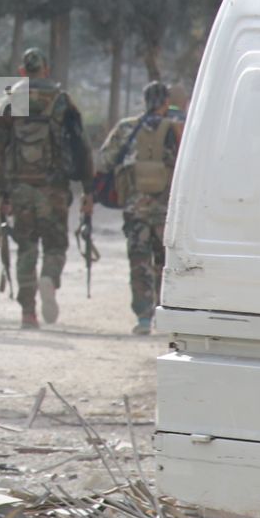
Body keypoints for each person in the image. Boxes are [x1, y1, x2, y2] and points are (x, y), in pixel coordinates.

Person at [0, 48, 93, 330]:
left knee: (26, 247)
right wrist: (88, 189)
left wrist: (1, 193)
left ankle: (28, 312)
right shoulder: (61, 100)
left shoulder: (9, 100)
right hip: (54, 189)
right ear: (46, 70)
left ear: (23, 71)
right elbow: (81, 146)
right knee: (56, 245)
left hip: (20, 188)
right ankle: (49, 277)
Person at [98, 80, 182, 334]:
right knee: (165, 264)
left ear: (145, 101)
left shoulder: (127, 128)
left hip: (136, 210)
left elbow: (105, 160)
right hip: (167, 213)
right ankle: (165, 313)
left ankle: (144, 318)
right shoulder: (177, 130)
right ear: (167, 102)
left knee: (139, 262)